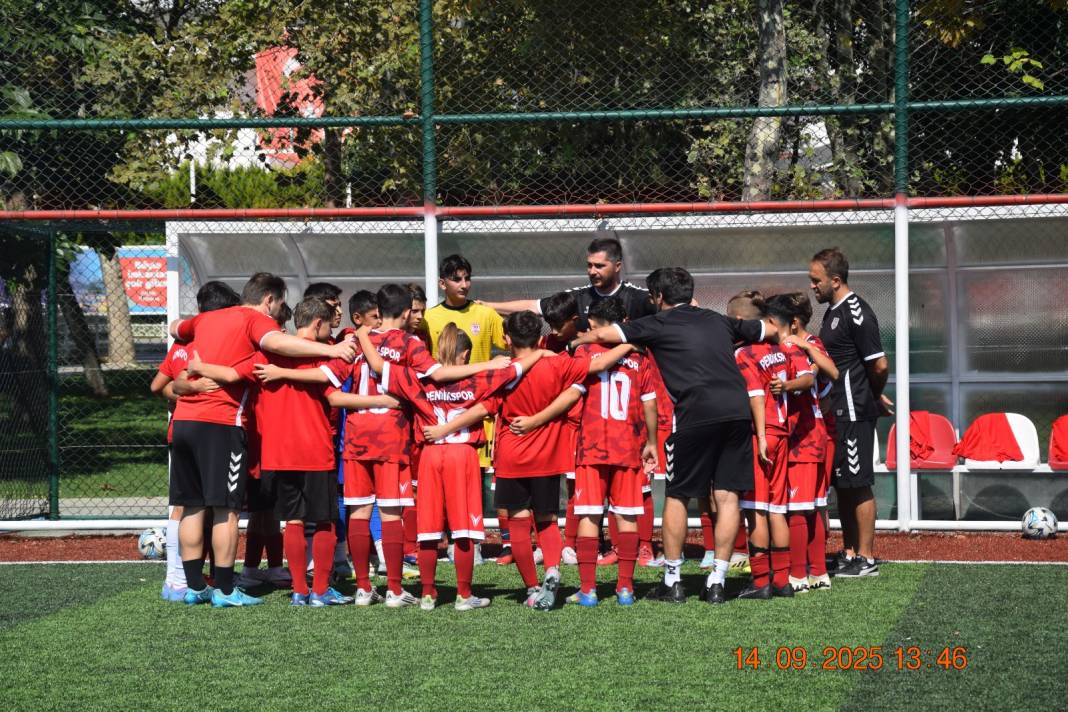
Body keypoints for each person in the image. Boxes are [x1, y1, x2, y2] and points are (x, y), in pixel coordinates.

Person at [567, 267, 775, 605]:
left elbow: (606, 334)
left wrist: (577, 341)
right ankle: (717, 582)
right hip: (738, 411)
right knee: (728, 497)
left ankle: (673, 581)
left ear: (659, 297)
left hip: (695, 413)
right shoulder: (719, 320)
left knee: (678, 495)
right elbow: (768, 329)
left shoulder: (657, 323)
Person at [168, 272, 356, 607]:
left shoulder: (210, 322)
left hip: (192, 423)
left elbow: (175, 329)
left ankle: (194, 586)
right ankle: (230, 590)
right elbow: (283, 348)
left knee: (193, 507)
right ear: (269, 300)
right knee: (228, 510)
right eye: (280, 304)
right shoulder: (265, 329)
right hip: (239, 428)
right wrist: (338, 353)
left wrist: (199, 369)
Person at [321, 283, 512, 607]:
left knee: (359, 511)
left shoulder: (353, 341)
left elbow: (331, 391)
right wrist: (489, 365)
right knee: (391, 514)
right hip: (391, 436)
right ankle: (395, 590)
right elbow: (439, 374)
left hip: (355, 436)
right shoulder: (409, 343)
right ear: (407, 312)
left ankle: (364, 589)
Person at [430, 311, 634, 610]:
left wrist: (444, 429)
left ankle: (532, 586)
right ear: (540, 338)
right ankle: (552, 568)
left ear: (506, 339)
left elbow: (483, 408)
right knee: (547, 520)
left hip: (511, 455)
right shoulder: (557, 363)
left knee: (517, 523)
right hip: (548, 456)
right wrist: (630, 342)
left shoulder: (504, 371)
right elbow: (598, 364)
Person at [356, 323, 549, 610]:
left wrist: (362, 334)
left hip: (430, 456)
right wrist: (542, 352)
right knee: (464, 529)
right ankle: (464, 595)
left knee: (428, 529)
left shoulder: (415, 376)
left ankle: (428, 594)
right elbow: (517, 368)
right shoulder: (480, 377)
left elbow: (379, 366)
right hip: (462, 455)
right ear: (466, 354)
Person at [565, 297, 659, 606]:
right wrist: (651, 442)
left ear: (592, 323)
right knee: (627, 515)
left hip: (591, 446)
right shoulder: (640, 357)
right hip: (627, 445)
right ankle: (625, 589)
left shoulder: (585, 350)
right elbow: (649, 403)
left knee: (589, 514)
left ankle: (588, 590)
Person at [150, 280, 238, 602]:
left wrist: (183, 392)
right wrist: (197, 390)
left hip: (181, 428)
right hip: (215, 427)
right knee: (221, 508)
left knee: (187, 506)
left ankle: (180, 581)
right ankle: (215, 584)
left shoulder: (182, 341)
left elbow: (158, 386)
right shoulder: (220, 342)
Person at [420, 254, 509, 561]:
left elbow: (511, 343)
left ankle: (474, 541)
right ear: (442, 283)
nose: (464, 284)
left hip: (476, 410)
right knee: (443, 478)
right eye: (456, 279)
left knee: (479, 479)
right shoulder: (429, 318)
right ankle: (445, 539)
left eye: (467, 278)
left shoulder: (485, 314)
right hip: (440, 412)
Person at [810, 247, 890, 578]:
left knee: (858, 483)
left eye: (816, 280)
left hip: (855, 410)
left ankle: (867, 558)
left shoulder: (857, 312)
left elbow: (879, 364)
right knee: (843, 484)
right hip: (839, 411)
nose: (812, 286)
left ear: (835, 280)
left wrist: (872, 394)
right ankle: (850, 551)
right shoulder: (833, 311)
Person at [728, 292, 812, 599]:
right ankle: (782, 581)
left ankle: (761, 581)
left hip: (760, 436)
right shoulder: (783, 348)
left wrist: (761, 437)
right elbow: (808, 378)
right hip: (783, 433)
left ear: (741, 322)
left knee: (756, 511)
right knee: (777, 509)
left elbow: (755, 397)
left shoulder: (744, 353)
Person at [767, 292, 838, 593]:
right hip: (809, 435)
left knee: (800, 507)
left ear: (791, 322)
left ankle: (799, 574)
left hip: (805, 438)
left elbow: (823, 375)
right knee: (811, 505)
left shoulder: (799, 345)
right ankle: (817, 571)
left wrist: (788, 383)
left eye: (770, 321)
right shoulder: (786, 346)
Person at [480, 232, 655, 331]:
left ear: (617, 266)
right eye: (589, 265)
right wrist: (488, 305)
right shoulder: (579, 297)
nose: (592, 271)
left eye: (599, 266)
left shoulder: (638, 298)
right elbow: (533, 306)